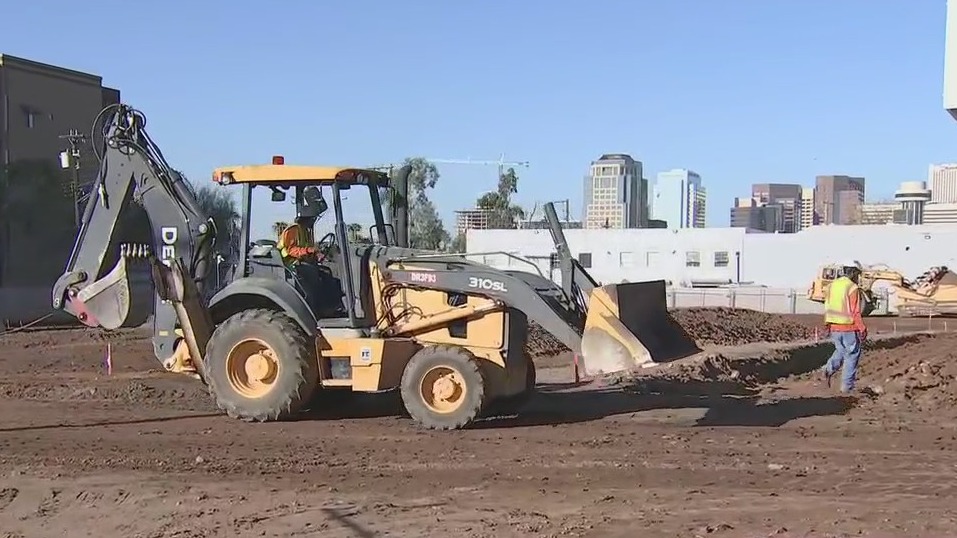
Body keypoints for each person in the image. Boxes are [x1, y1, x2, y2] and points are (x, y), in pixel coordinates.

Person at [820, 263, 868, 393]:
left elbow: (827, 306)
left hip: (834, 327)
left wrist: (827, 324)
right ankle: (847, 388)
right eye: (857, 275)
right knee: (852, 355)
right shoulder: (852, 287)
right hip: (849, 327)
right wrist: (862, 328)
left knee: (841, 351)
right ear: (853, 273)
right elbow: (855, 312)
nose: (858, 278)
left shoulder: (831, 286)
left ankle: (827, 370)